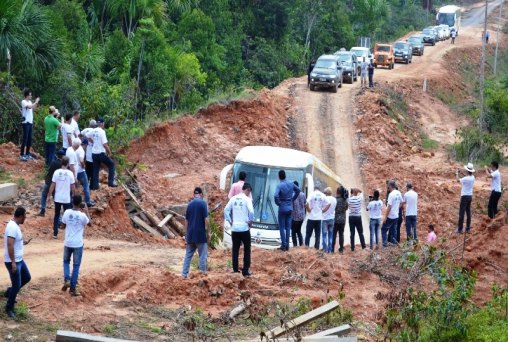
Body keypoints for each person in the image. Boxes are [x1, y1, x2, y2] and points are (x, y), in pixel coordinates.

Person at [4, 207, 32, 319]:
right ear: (20, 216)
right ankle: (9, 308)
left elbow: (15, 242)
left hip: (19, 260)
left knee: (27, 277)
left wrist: (23, 242)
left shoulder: (15, 226)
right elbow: (10, 244)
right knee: (16, 285)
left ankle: (9, 293)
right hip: (13, 261)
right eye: (24, 217)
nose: (25, 219)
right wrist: (13, 263)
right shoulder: (11, 227)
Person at [61, 195, 91, 296]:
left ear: (72, 202)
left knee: (66, 262)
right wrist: (86, 210)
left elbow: (63, 225)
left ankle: (67, 279)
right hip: (78, 244)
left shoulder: (66, 212)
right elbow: (90, 223)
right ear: (80, 203)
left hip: (68, 242)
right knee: (76, 266)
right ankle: (73, 289)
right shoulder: (82, 216)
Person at [224, 183, 254, 277]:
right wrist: (250, 221)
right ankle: (245, 270)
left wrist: (229, 220)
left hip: (235, 228)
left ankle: (235, 269)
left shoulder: (233, 198)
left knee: (235, 249)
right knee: (247, 249)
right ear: (248, 190)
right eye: (250, 192)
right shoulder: (247, 199)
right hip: (244, 228)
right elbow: (252, 211)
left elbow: (226, 210)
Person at [181, 187, 209, 279]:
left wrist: (186, 234)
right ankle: (202, 275)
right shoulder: (203, 203)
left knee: (188, 255)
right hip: (200, 234)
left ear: (194, 194)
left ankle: (184, 275)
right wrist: (208, 231)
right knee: (202, 255)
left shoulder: (189, 205)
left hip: (191, 234)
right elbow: (206, 219)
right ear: (201, 194)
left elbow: (186, 221)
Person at [47, 156, 76, 239]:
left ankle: (55, 233)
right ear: (67, 164)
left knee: (56, 214)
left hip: (57, 197)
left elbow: (52, 184)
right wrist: (74, 195)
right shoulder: (70, 173)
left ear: (61, 163)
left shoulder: (56, 172)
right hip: (66, 198)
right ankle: (69, 233)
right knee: (68, 215)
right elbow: (73, 186)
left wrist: (49, 195)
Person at [274, 170, 301, 251]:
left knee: (282, 227)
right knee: (288, 227)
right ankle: (288, 246)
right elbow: (298, 190)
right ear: (285, 175)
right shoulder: (291, 183)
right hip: (290, 208)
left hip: (282, 208)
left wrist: (278, 203)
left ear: (279, 176)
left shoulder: (279, 185)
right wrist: (292, 199)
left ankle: (283, 245)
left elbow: (275, 195)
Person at [89, 117, 117, 190]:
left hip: (94, 153)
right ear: (102, 123)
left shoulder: (93, 130)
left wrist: (93, 142)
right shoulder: (102, 131)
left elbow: (87, 136)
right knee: (111, 164)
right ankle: (110, 182)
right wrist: (109, 153)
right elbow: (105, 144)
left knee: (95, 170)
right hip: (100, 153)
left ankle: (95, 187)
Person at [67, 138, 94, 207]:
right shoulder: (81, 150)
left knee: (74, 187)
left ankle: (72, 202)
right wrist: (83, 166)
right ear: (85, 145)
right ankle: (87, 201)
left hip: (73, 172)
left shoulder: (70, 149)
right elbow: (81, 160)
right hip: (80, 171)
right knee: (86, 185)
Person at [37, 150, 64, 217]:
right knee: (56, 200)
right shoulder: (63, 165)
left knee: (44, 195)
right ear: (63, 156)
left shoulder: (53, 162)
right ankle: (58, 216)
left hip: (49, 182)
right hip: (56, 185)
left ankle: (43, 210)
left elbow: (49, 172)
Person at [20, 89, 40, 161]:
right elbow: (29, 107)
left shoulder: (30, 102)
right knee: (25, 138)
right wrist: (36, 101)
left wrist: (36, 103)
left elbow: (33, 109)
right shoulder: (23, 101)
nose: (31, 96)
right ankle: (22, 154)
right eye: (30, 94)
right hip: (25, 122)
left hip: (30, 122)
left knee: (29, 139)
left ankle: (27, 153)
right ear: (27, 95)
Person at [381, 180, 403, 247]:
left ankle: (385, 245)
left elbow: (389, 207)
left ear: (390, 186)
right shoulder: (398, 193)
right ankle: (394, 245)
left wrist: (385, 217)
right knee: (394, 231)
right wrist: (396, 208)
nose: (388, 187)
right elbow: (402, 202)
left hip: (390, 216)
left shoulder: (391, 194)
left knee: (383, 229)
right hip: (396, 216)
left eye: (388, 186)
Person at [456, 163, 475, 234]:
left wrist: (457, 173)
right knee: (468, 213)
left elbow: (458, 180)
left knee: (461, 213)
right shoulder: (472, 177)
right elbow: (466, 177)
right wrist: (462, 173)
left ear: (467, 170)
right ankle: (468, 229)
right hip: (470, 196)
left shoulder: (466, 178)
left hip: (464, 197)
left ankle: (460, 229)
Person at [332, 186, 348, 254]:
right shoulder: (345, 201)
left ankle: (332, 249)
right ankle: (341, 249)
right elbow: (346, 208)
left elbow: (333, 209)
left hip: (335, 220)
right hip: (342, 220)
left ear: (337, 192)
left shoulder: (335, 200)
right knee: (341, 234)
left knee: (334, 235)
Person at [321, 187, 337, 253]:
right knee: (331, 235)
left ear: (326, 193)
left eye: (325, 192)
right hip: (332, 218)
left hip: (325, 219)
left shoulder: (325, 199)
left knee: (324, 235)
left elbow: (322, 208)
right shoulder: (334, 199)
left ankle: (325, 250)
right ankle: (330, 250)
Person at [291, 181, 306, 247]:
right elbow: (305, 203)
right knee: (298, 231)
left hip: (294, 217)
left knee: (293, 232)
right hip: (301, 216)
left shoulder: (292, 195)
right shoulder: (303, 194)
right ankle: (301, 244)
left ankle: (295, 245)